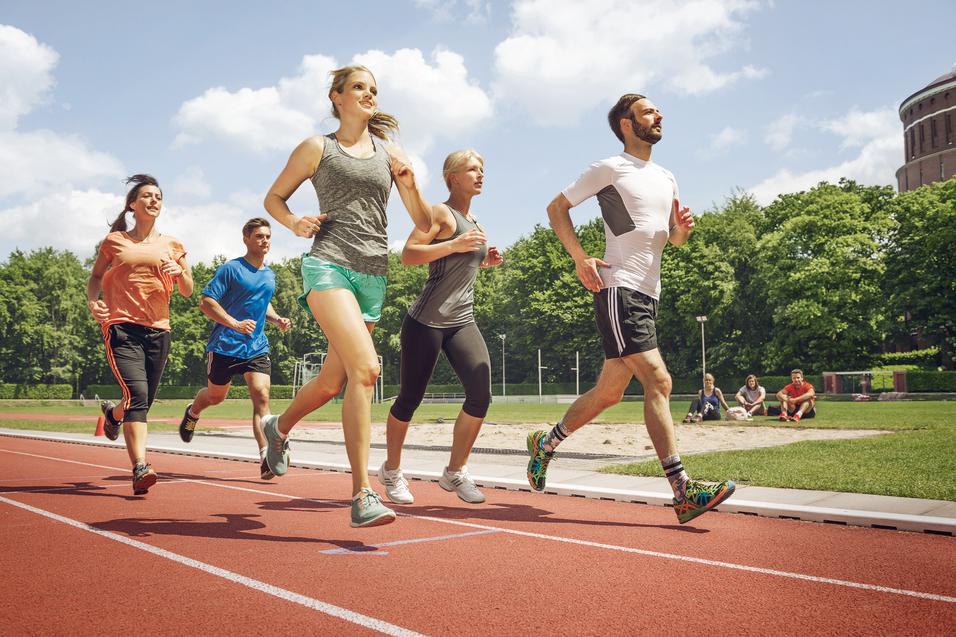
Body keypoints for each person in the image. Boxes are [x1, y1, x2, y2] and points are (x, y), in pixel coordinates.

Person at [525, 93, 735, 524]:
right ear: (626, 123)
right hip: (618, 287)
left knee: (610, 392)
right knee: (659, 381)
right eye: (649, 112)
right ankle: (683, 491)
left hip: (647, 293)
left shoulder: (667, 177)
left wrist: (683, 232)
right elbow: (556, 208)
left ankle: (545, 445)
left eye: (658, 112)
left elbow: (672, 239)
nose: (659, 116)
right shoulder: (610, 168)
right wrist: (580, 257)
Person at [261, 65, 434, 528]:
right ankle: (362, 494)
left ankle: (277, 427)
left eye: (374, 89)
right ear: (337, 97)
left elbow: (422, 222)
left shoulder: (390, 153)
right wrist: (294, 222)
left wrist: (411, 184)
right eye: (359, 87)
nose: (368, 94)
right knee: (367, 369)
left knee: (331, 383)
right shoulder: (319, 147)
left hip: (373, 274)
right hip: (328, 264)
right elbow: (273, 198)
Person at [378, 149, 503, 506]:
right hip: (426, 322)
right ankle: (391, 470)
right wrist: (455, 243)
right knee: (409, 400)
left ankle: (454, 471)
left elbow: (458, 267)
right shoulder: (438, 213)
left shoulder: (476, 221)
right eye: (473, 169)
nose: (481, 175)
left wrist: (485, 263)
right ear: (452, 177)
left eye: (483, 169)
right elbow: (409, 254)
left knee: (480, 395)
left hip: (462, 320)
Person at [87, 174, 193, 495]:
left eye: (158, 196)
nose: (153, 200)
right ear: (132, 205)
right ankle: (140, 467)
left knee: (139, 402)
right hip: (122, 328)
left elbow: (188, 290)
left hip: (159, 330)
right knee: (138, 394)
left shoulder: (173, 245)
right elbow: (95, 277)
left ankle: (112, 415)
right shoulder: (115, 242)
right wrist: (94, 301)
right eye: (146, 196)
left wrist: (180, 273)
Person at [177, 218, 291, 479]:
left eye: (268, 237)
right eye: (259, 236)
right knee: (216, 397)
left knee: (261, 396)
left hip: (256, 346)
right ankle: (193, 412)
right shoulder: (231, 269)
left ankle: (266, 457)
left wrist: (275, 319)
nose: (265, 241)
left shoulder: (269, 274)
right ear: (246, 239)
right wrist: (234, 324)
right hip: (225, 347)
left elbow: (263, 303)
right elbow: (206, 302)